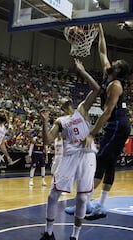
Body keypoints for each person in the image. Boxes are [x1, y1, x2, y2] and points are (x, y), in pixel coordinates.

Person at [65, 23, 131, 221]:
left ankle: (84, 204)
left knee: (101, 160)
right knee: (109, 163)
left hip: (119, 123)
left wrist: (92, 133)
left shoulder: (116, 85)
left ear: (119, 71)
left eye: (116, 63)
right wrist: (100, 29)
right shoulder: (107, 73)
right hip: (116, 124)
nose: (112, 62)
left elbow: (108, 111)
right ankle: (100, 206)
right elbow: (102, 50)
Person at [39, 58, 100, 240]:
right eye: (62, 101)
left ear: (71, 102)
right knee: (52, 195)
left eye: (66, 99)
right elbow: (47, 140)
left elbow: (96, 89)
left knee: (82, 198)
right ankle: (49, 233)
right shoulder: (60, 121)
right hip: (69, 157)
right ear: (62, 107)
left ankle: (75, 236)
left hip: (87, 155)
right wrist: (44, 122)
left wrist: (82, 71)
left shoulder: (82, 109)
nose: (64, 100)